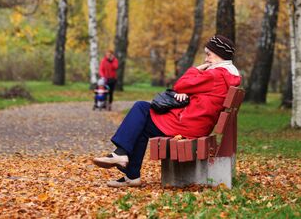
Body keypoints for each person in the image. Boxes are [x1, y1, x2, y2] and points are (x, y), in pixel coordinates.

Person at [93, 35, 241, 187]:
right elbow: (201, 92)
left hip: (189, 124)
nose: (206, 59)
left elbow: (180, 85)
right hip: (197, 122)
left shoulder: (216, 75)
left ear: (220, 54)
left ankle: (122, 157)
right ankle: (129, 169)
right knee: (142, 119)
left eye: (208, 54)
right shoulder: (227, 75)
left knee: (141, 108)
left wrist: (195, 70)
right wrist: (188, 92)